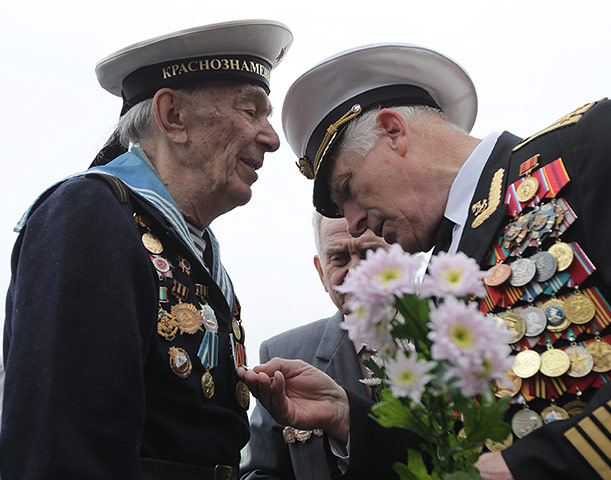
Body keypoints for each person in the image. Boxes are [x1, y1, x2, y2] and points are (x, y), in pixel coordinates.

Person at [242, 44, 611, 479]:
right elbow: (456, 449)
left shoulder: (588, 146)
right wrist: (347, 418)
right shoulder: (440, 278)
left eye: (349, 187)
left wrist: (532, 467)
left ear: (393, 131)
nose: (356, 224)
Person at [1, 20, 292, 479]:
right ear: (172, 116)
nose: (271, 138)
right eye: (250, 110)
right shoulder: (89, 214)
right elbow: (60, 450)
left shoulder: (190, 245)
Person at [241, 213, 394, 479]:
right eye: (339, 258)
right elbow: (262, 472)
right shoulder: (286, 355)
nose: (355, 271)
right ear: (321, 272)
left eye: (370, 253)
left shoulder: (450, 343)